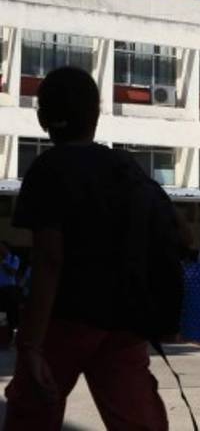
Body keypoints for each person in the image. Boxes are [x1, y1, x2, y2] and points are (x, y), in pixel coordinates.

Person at [4, 66, 170, 430]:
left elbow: (49, 259)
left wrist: (30, 345)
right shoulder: (125, 166)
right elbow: (181, 234)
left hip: (65, 318)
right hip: (123, 321)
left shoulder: (48, 169)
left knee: (31, 416)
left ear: (43, 117)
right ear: (96, 114)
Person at [0, 243, 22, 335]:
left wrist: (3, 263)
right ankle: (3, 329)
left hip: (10, 289)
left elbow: (12, 272)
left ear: (6, 248)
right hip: (0, 289)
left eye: (1, 247)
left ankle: (13, 333)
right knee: (2, 311)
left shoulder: (14, 258)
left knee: (11, 311)